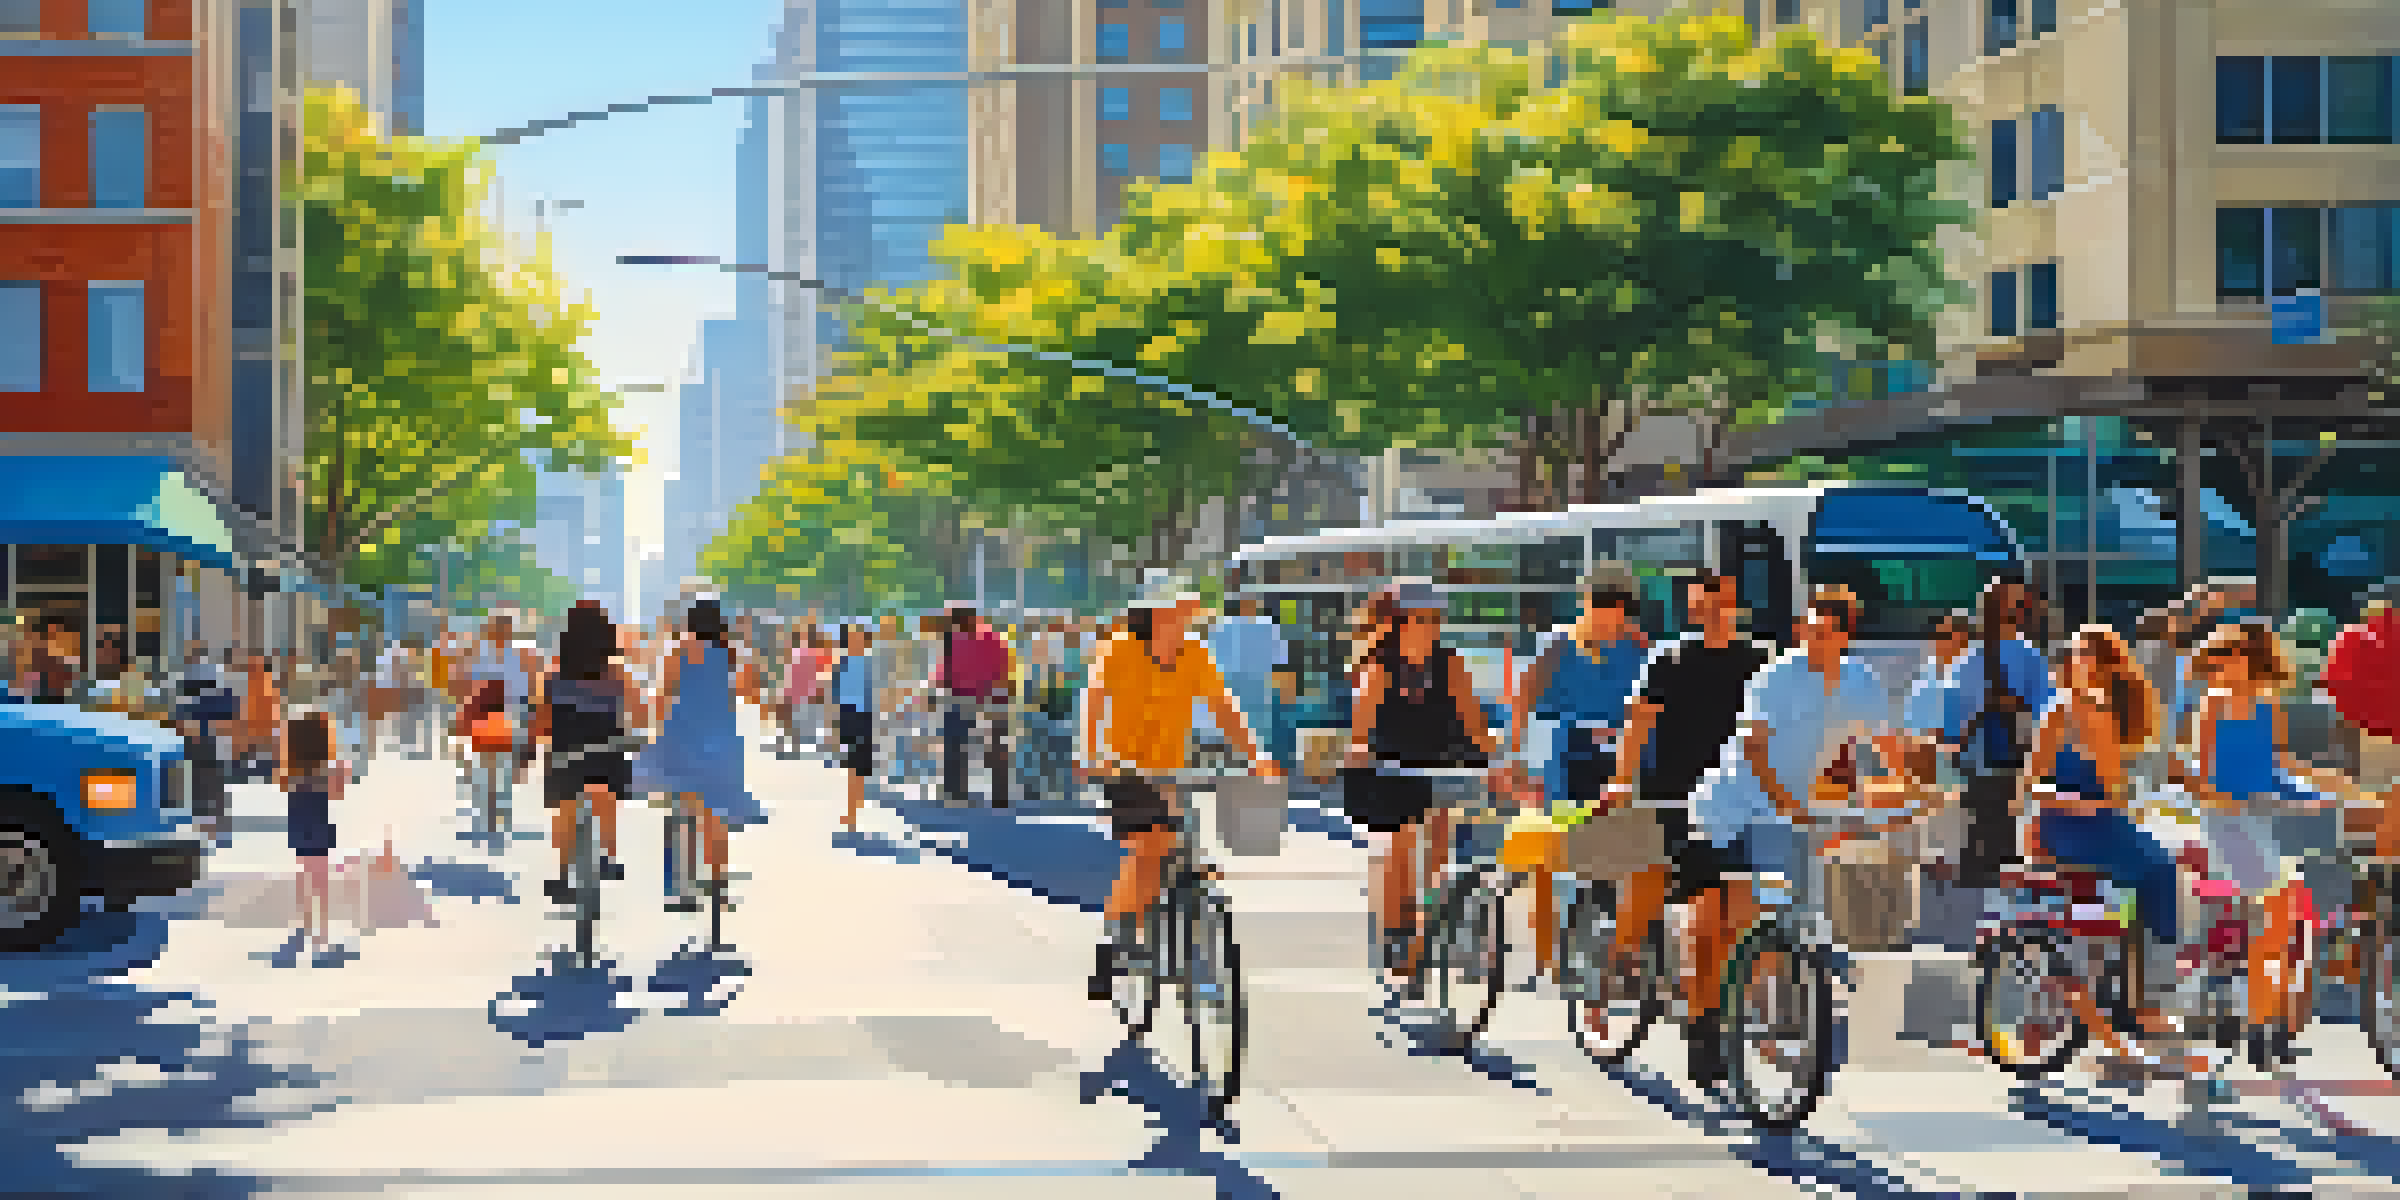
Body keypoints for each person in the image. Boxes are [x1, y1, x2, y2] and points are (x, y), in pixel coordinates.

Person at [1687, 586, 1902, 1088]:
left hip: (1787, 819)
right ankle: (1702, 1026)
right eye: (1807, 628)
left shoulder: (1861, 682)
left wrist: (1910, 792)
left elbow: (1887, 749)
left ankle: (1753, 1015)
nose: (1811, 637)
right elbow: (1755, 750)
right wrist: (1788, 803)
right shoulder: (1775, 676)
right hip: (1729, 807)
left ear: (1845, 635)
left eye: (1824, 631)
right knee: (1714, 926)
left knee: (1767, 917)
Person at [1082, 577, 1284, 1001]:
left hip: (1175, 771)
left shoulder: (1194, 653)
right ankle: (1114, 940)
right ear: (1157, 614)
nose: (1189, 617)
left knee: (1186, 853)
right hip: (1126, 770)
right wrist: (1091, 752)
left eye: (1191, 611)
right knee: (1149, 848)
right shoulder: (1121, 649)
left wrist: (1256, 757)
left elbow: (1224, 709)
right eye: (1181, 610)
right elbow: (1095, 701)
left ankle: (1192, 949)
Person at [2017, 624, 2202, 1075]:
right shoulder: (2063, 711)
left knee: (2152, 878)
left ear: (2109, 668)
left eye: (2092, 656)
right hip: (2071, 828)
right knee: (2162, 872)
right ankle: (2150, 1001)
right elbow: (2030, 781)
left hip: (2099, 825)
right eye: (2078, 654)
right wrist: (2070, 800)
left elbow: (2120, 790)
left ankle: (2133, 999)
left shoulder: (2102, 712)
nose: (2082, 662)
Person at [1613, 570, 1777, 1002]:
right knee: (1694, 904)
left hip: (1740, 798)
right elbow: (1637, 724)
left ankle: (1721, 1000)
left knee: (1742, 908)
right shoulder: (1669, 660)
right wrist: (1621, 782)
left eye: (1720, 605)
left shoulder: (1761, 660)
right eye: (1703, 607)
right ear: (1692, 611)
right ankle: (1623, 969)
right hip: (1677, 796)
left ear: (1736, 608)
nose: (1713, 614)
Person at [2185, 621, 2336, 1070]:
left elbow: (2274, 767)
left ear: (2251, 661)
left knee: (2284, 934)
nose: (2221, 666)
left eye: (2229, 657)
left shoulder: (2269, 707)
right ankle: (2261, 1029)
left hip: (2264, 823)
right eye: (2218, 658)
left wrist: (2311, 794)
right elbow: (2201, 779)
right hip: (2228, 824)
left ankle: (2267, 1027)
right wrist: (2242, 800)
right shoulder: (2212, 705)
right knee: (2275, 928)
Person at [1345, 580, 1502, 976]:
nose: (1431, 626)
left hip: (1441, 766)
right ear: (1399, 622)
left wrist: (1501, 760)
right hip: (1393, 769)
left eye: (1435, 618)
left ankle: (1424, 930)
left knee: (1438, 854)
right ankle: (1395, 934)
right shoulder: (1379, 668)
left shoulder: (1450, 664)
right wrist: (1359, 751)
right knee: (1400, 846)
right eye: (1422, 618)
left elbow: (1474, 723)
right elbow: (1361, 728)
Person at [1509, 563, 1653, 972]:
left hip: (1620, 762)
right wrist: (1516, 758)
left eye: (1622, 604)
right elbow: (1522, 703)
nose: (1614, 612)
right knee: (1552, 857)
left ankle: (1619, 951)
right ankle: (1549, 955)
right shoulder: (1558, 645)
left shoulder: (1639, 648)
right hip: (1562, 760)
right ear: (1586, 603)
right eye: (1603, 601)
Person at [639, 598, 763, 911]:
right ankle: (718, 885)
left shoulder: (680, 651)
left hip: (682, 740)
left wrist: (655, 734)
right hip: (720, 742)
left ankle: (677, 885)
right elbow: (751, 692)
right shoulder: (730, 653)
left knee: (681, 813)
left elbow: (662, 696)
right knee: (715, 817)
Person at [1939, 577, 2055, 892]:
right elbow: (2048, 713)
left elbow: (1953, 721)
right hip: (2012, 763)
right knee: (2007, 843)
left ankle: (1980, 895)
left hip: (1982, 765)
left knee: (1981, 839)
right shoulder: (2029, 657)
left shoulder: (1969, 660)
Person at [537, 601, 645, 905]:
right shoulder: (617, 673)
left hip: (565, 756)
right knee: (606, 795)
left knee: (565, 809)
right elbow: (639, 712)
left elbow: (542, 723)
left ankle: (562, 875)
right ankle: (607, 856)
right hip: (606, 753)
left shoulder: (553, 674)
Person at [281, 711, 350, 964]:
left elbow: (285, 787)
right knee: (320, 881)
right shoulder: (325, 771)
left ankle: (304, 929)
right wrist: (341, 770)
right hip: (319, 823)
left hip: (299, 822)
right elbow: (337, 793)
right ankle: (321, 937)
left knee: (305, 877)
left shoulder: (293, 770)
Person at [939, 606, 1015, 808]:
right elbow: (1005, 668)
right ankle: (1000, 795)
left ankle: (956, 794)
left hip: (964, 698)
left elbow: (946, 674)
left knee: (956, 747)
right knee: (996, 748)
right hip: (993, 698)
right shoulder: (993, 638)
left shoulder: (955, 641)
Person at [1207, 594, 1291, 775]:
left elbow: (1281, 671)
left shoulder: (1266, 628)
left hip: (1255, 705)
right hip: (1241, 705)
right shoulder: (1223, 629)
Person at [832, 623, 878, 831]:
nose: (856, 640)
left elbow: (875, 694)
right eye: (852, 637)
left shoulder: (869, 664)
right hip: (848, 717)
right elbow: (835, 696)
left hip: (864, 718)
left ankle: (854, 811)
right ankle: (853, 811)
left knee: (858, 768)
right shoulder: (843, 663)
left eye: (859, 636)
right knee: (853, 767)